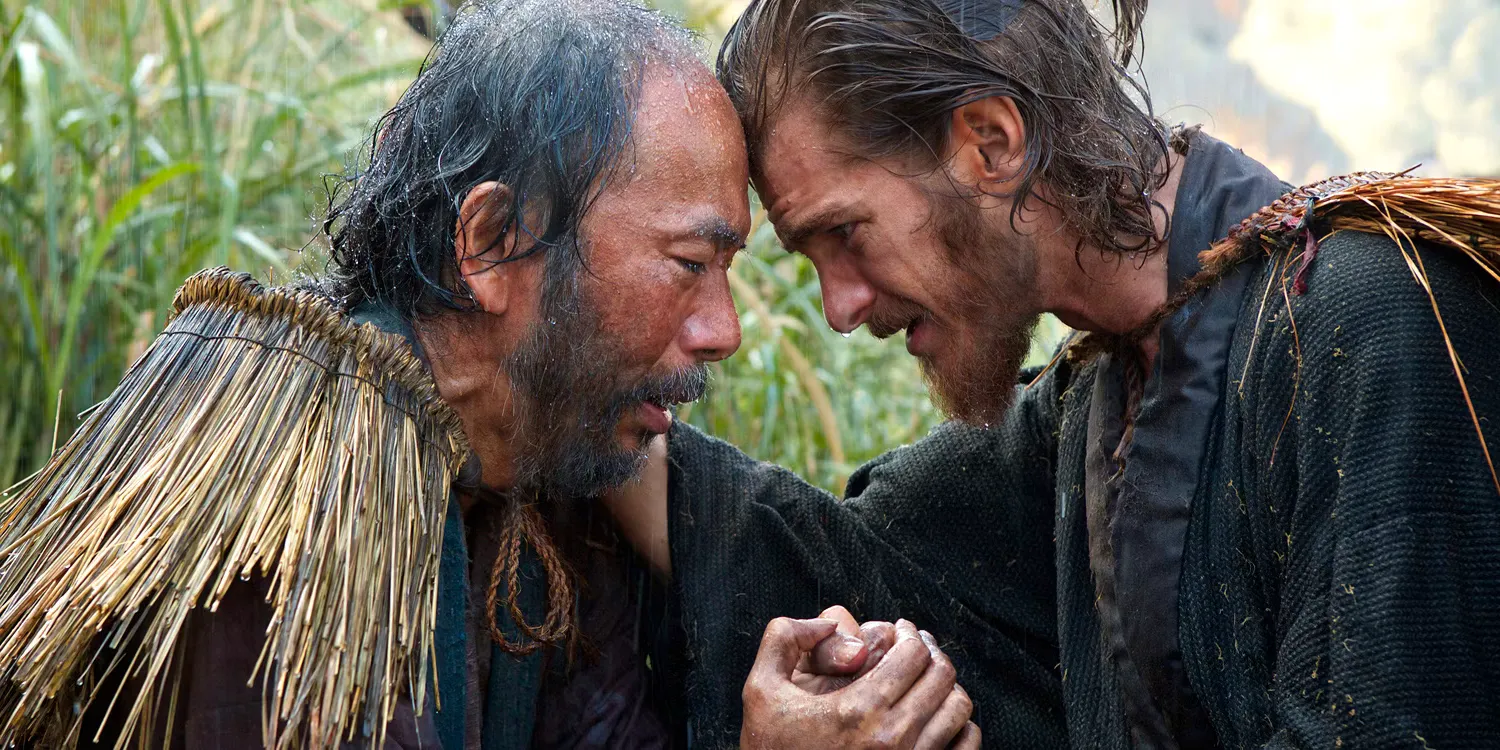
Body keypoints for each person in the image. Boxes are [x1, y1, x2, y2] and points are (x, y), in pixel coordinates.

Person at [0, 1, 975, 747]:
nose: (721, 330)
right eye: (689, 265)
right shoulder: (268, 494)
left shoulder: (544, 469)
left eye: (728, 277)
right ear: (494, 241)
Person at [605, 0, 1500, 747]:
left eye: (846, 233)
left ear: (991, 143)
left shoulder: (1378, 314)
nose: (839, 307)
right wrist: (586, 391)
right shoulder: (1092, 400)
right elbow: (853, 559)